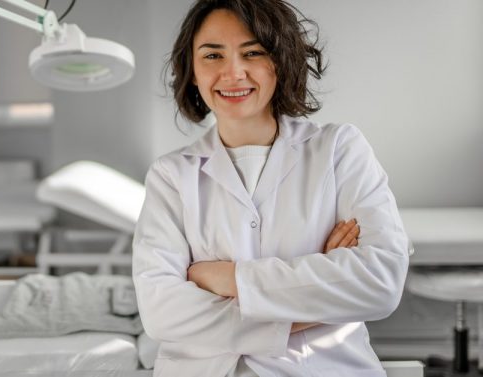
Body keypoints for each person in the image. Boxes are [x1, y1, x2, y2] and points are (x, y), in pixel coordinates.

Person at [131, 0, 410, 376]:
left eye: (254, 52)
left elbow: (380, 281)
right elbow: (162, 312)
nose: (233, 72)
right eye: (213, 55)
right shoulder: (171, 175)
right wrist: (312, 303)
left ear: (281, 61)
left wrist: (227, 278)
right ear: (192, 71)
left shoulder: (339, 149)